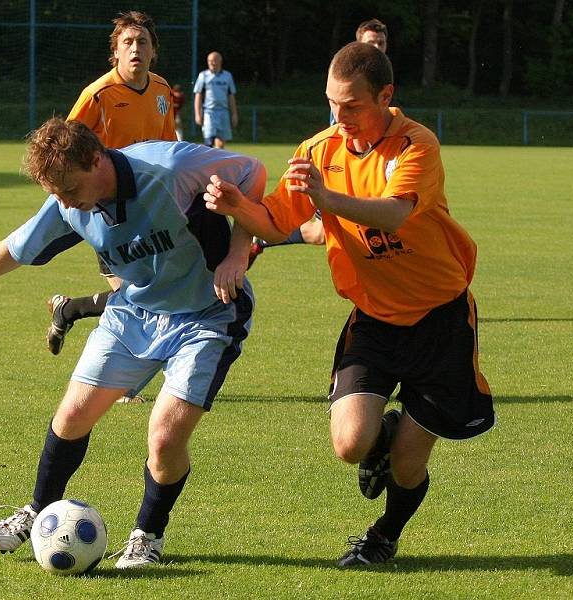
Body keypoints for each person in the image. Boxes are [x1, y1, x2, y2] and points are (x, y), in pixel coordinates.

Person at [0, 118, 265, 568]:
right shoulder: (69, 202)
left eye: (68, 189)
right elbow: (18, 246)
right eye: (57, 194)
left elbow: (253, 171)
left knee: (164, 438)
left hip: (207, 315)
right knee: (71, 414)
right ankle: (37, 509)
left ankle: (148, 536)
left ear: (96, 159)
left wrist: (239, 251)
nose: (64, 203)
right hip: (133, 314)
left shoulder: (169, 167)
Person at [204, 42, 494, 567]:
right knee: (350, 443)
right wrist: (236, 206)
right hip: (375, 320)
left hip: (441, 320)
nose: (339, 118)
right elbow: (274, 222)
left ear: (385, 96)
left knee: (407, 469)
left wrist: (326, 198)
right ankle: (382, 431)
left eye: (352, 106)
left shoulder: (415, 145)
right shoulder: (317, 151)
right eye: (332, 104)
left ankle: (384, 535)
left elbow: (392, 215)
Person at [46, 11, 177, 359]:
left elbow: (169, 149)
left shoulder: (162, 90)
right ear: (115, 52)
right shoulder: (98, 95)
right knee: (135, 298)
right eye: (128, 43)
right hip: (105, 210)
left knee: (146, 296)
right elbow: (63, 147)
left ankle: (69, 310)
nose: (136, 48)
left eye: (142, 42)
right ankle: (121, 379)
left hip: (149, 207)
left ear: (153, 51)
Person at [248, 18, 389, 267]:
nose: (376, 48)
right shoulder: (346, 83)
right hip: (335, 172)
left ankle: (262, 240)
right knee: (325, 232)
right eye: (370, 43)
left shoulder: (378, 82)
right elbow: (338, 134)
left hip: (359, 174)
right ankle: (261, 237)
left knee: (323, 233)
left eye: (380, 42)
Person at [193, 51, 238, 148]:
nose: (212, 63)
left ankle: (218, 162)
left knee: (221, 144)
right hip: (209, 113)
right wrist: (197, 114)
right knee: (209, 142)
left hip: (224, 112)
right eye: (209, 61)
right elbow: (198, 95)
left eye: (214, 61)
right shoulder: (203, 76)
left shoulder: (227, 76)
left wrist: (234, 114)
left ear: (220, 61)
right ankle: (207, 162)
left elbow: (231, 96)